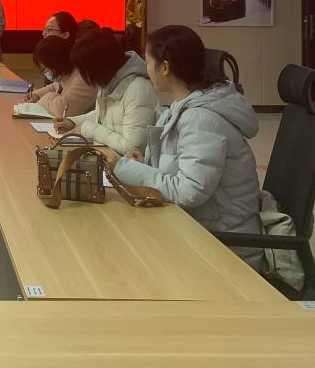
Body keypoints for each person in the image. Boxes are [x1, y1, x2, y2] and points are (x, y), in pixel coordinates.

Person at [103, 25, 264, 269]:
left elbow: (190, 192)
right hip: (198, 228)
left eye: (148, 61)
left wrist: (123, 167)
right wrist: (144, 163)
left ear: (165, 67)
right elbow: (183, 166)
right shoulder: (186, 105)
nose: (146, 68)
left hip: (223, 245)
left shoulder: (201, 119)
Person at [52, 29, 156, 155]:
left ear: (98, 65)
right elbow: (104, 115)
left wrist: (87, 129)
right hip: (109, 158)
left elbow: (133, 148)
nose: (84, 76)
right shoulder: (108, 80)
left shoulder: (138, 88)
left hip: (124, 163)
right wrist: (73, 122)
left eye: (84, 70)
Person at [22, 35, 96, 118]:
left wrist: (43, 98)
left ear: (57, 62)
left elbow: (63, 110)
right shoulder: (67, 74)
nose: (45, 73)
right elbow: (56, 86)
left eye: (45, 69)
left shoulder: (84, 78)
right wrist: (37, 95)